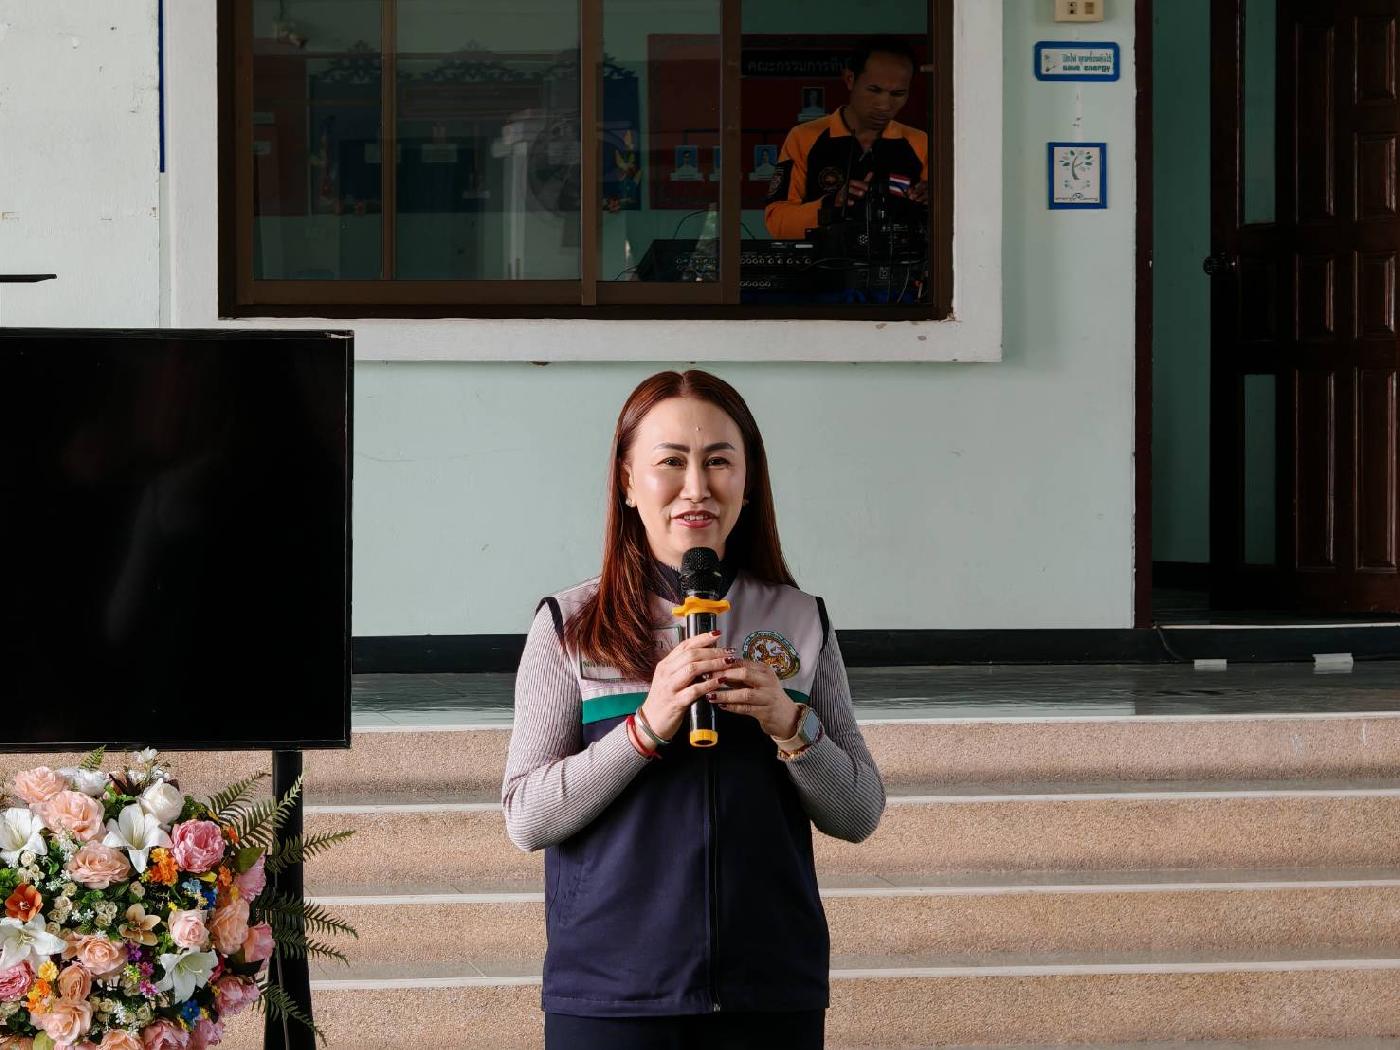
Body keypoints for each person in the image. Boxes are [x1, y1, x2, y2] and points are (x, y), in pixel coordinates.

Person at [502, 369, 886, 1049]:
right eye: (671, 462)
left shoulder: (799, 620)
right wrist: (644, 728)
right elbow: (527, 818)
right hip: (612, 996)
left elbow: (858, 813)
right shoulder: (571, 625)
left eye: (718, 462)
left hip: (771, 991)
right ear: (627, 481)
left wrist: (791, 727)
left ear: (748, 481)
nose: (697, 487)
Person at [764, 36, 929, 239]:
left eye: (898, 94)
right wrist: (832, 204)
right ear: (850, 79)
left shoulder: (920, 142)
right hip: (826, 258)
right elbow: (777, 222)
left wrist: (936, 202)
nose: (884, 105)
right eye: (874, 90)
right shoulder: (804, 137)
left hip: (899, 258)